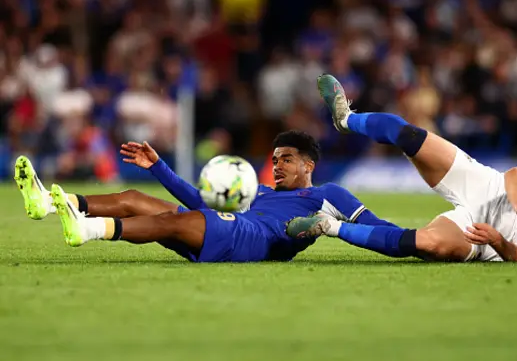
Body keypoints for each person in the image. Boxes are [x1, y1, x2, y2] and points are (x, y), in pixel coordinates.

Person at [286, 74, 517, 263]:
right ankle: (348, 119)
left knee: (428, 244)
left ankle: (328, 226)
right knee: (409, 135)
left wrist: (498, 238)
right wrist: (516, 202)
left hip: (488, 238)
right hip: (488, 186)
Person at [14, 131, 400, 263]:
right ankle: (47, 202)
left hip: (257, 240)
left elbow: (373, 225)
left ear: (309, 165)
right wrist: (157, 166)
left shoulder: (327, 195)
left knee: (177, 222)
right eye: (274, 159)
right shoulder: (259, 191)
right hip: (235, 227)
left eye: (287, 159)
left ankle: (88, 229)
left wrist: (413, 240)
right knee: (135, 196)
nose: (277, 165)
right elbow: (201, 200)